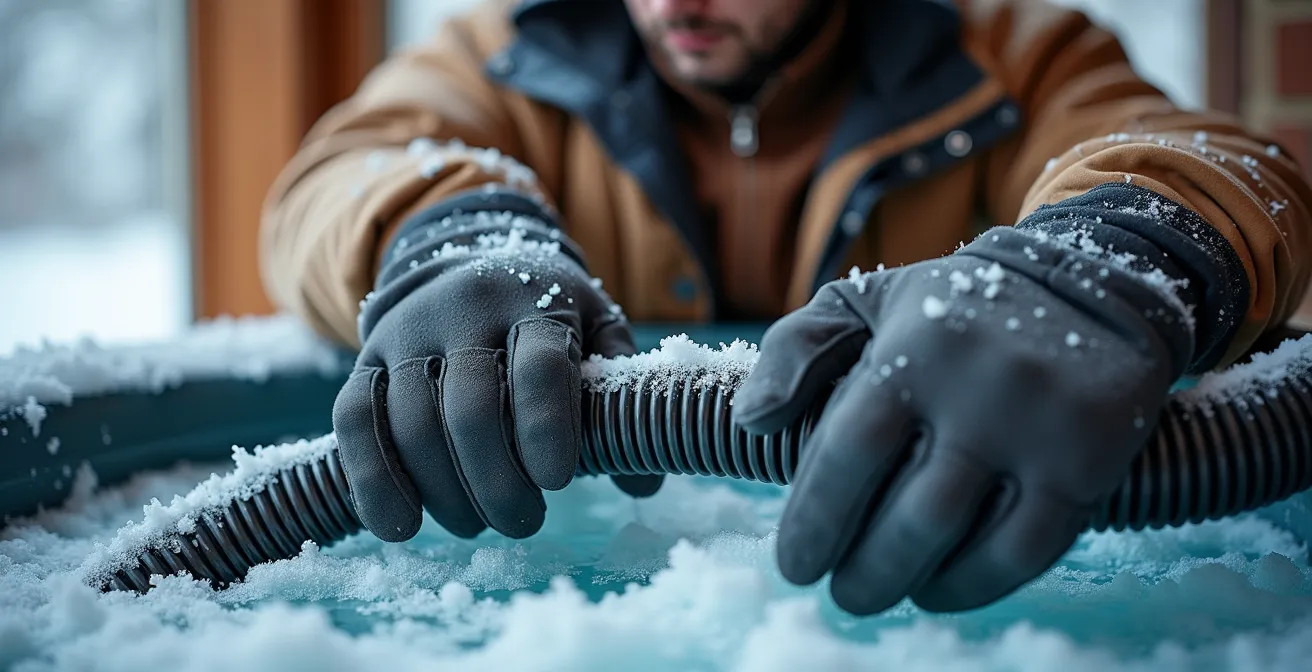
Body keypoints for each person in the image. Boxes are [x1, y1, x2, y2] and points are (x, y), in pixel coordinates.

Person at [260, 0, 1312, 616]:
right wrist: (454, 240)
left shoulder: (1011, 49)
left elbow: (1210, 159)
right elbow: (345, 171)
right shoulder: (499, 50)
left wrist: (1095, 265)